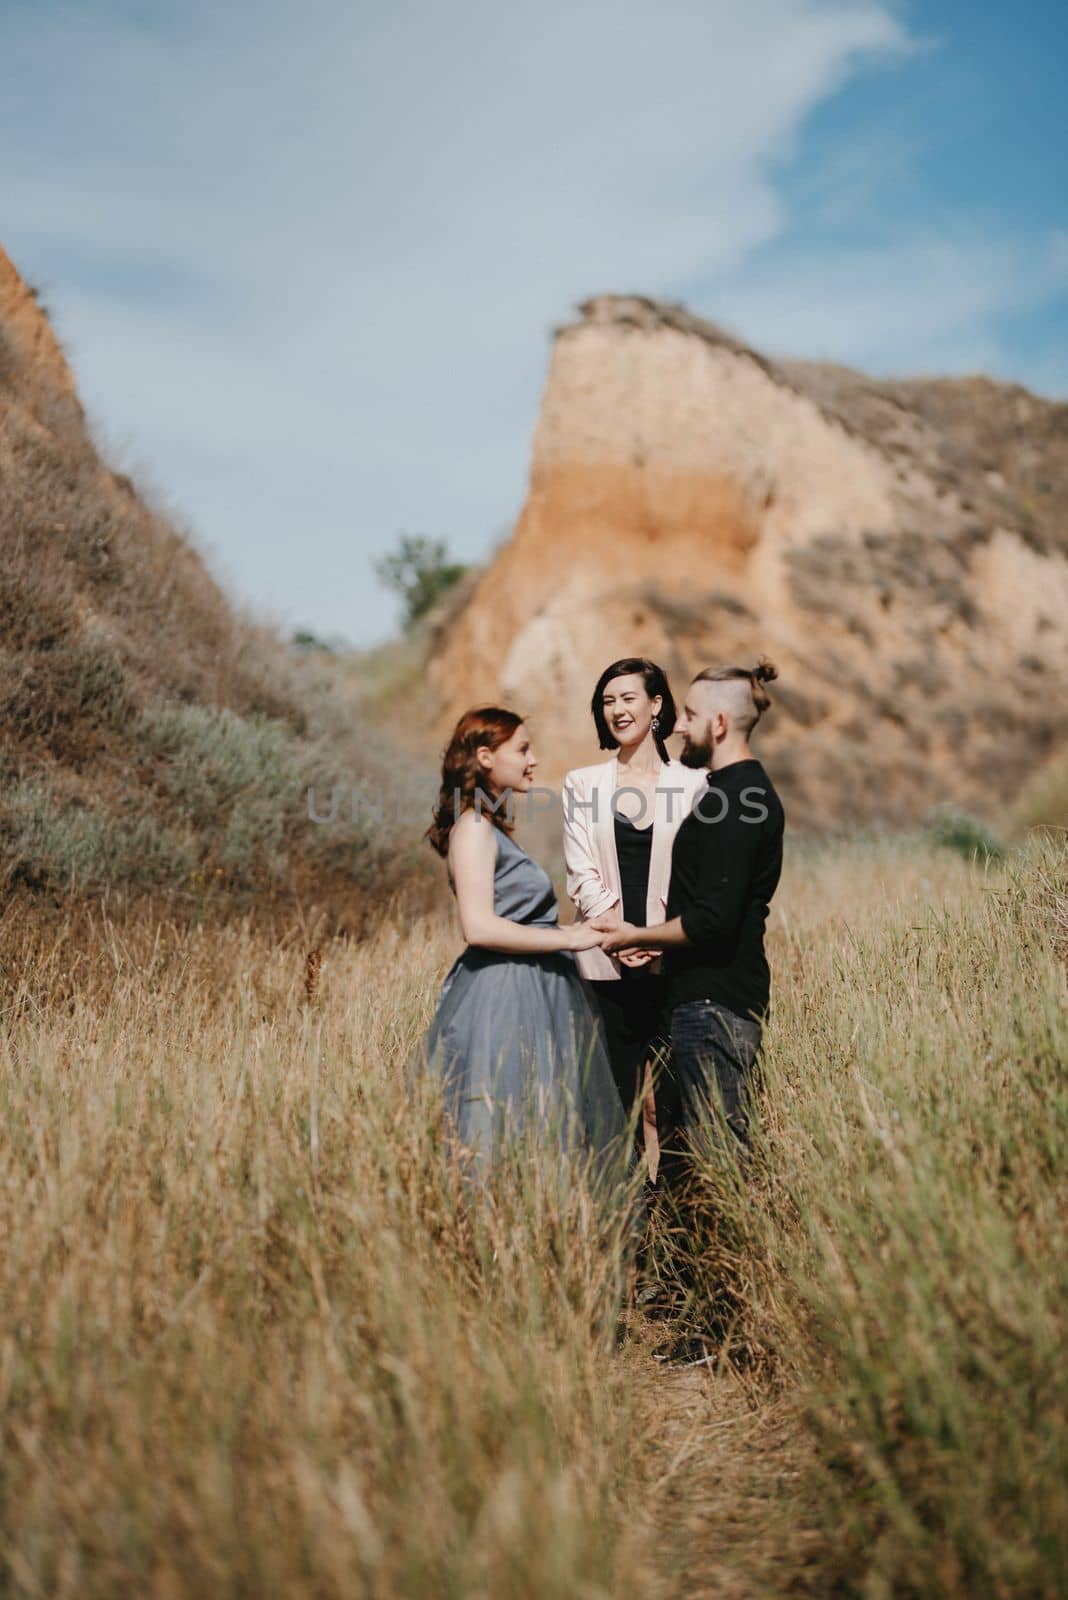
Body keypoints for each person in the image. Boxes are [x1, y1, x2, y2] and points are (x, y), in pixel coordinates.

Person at [593, 661, 785, 1190]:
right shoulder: (726, 791)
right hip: (704, 1001)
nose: (679, 725)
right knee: (699, 1162)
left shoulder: (735, 801)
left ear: (719, 724)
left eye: (692, 716)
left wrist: (637, 936)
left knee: (720, 1165)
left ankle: (730, 1269)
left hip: (714, 1003)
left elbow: (713, 921)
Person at [418, 706, 628, 1179]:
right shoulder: (472, 828)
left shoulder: (489, 827)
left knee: (543, 1119)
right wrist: (569, 936)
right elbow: (479, 927)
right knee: (502, 1122)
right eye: (524, 749)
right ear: (487, 757)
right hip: (503, 994)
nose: (533, 760)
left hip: (536, 987)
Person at [562, 659, 705, 1160]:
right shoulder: (582, 784)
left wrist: (651, 938)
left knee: (668, 1108)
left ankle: (675, 1227)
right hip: (603, 967)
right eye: (607, 701)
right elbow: (581, 874)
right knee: (612, 1109)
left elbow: (695, 878)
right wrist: (622, 937)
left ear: (656, 705)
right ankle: (622, 1228)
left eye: (627, 698)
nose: (618, 710)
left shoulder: (693, 785)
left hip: (673, 966)